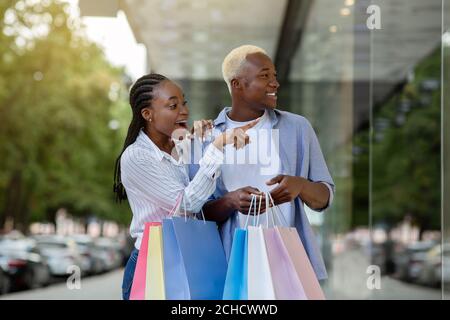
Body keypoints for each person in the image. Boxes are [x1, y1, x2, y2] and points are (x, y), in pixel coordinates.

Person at [190, 45, 335, 281]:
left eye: (275, 76)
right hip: (231, 266)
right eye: (264, 76)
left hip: (288, 263)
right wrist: (230, 201)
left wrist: (300, 185)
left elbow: (325, 197)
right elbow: (195, 211)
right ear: (237, 84)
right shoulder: (207, 138)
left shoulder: (298, 128)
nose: (275, 83)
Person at [113, 73, 259, 300]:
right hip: (154, 264)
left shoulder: (178, 146)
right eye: (173, 105)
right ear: (147, 114)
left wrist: (200, 142)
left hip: (187, 255)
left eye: (184, 103)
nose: (184, 111)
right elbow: (185, 203)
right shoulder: (137, 157)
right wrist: (217, 147)